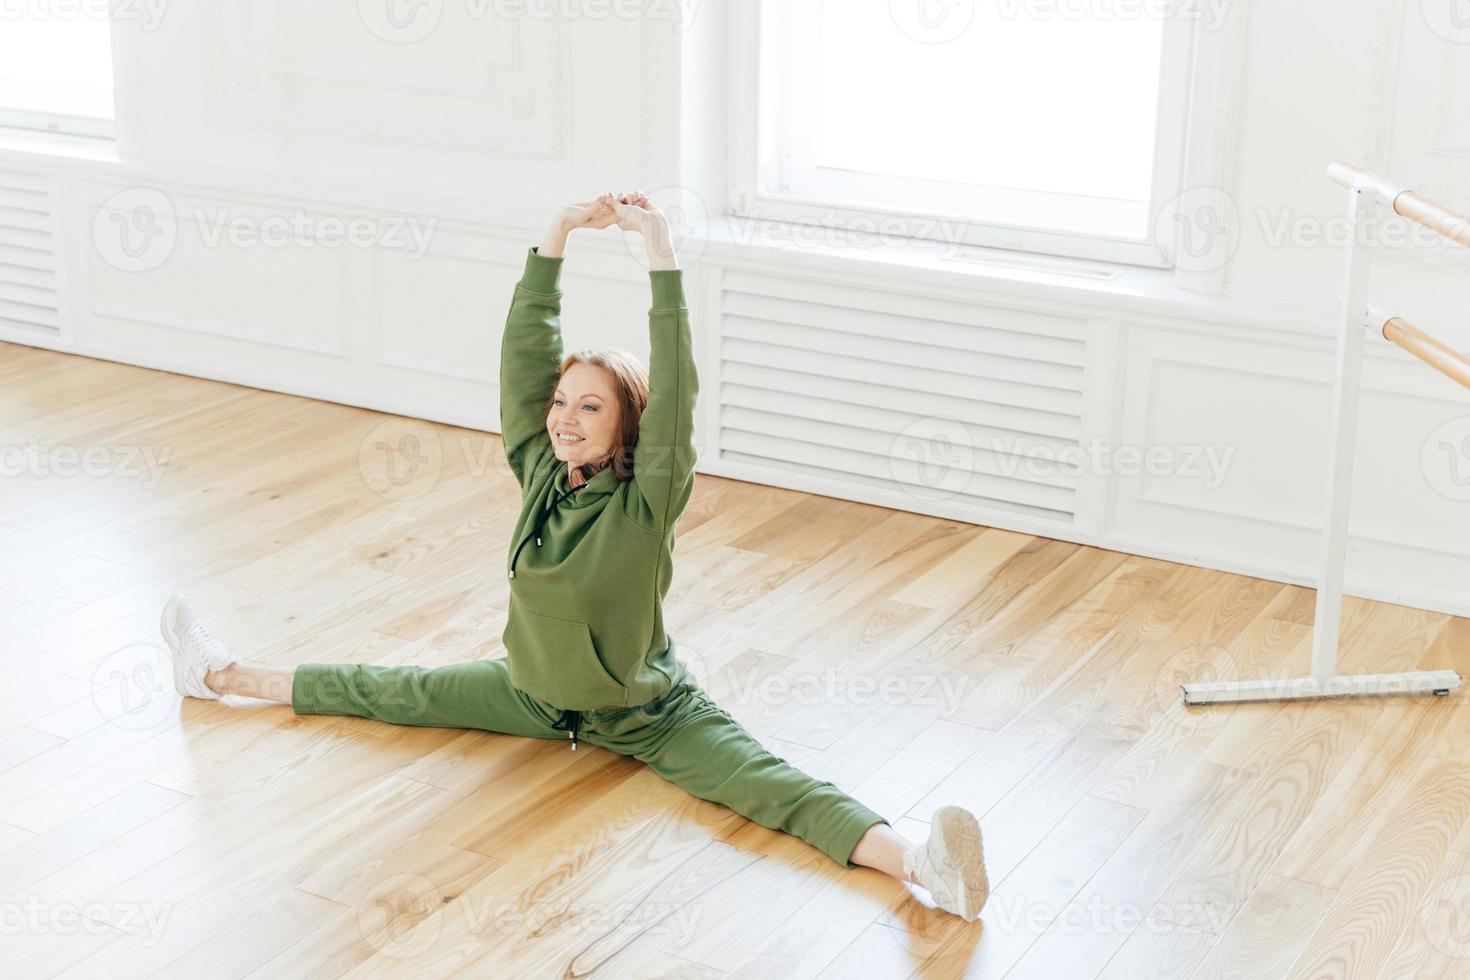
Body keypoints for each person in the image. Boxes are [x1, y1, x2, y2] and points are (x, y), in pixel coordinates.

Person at [159, 191, 990, 922]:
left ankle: (925, 867)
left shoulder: (644, 502)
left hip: (649, 714)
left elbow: (679, 388)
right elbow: (522, 366)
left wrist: (660, 260)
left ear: (628, 425)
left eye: (589, 407)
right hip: (531, 693)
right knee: (386, 689)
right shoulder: (543, 478)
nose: (564, 418)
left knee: (773, 787)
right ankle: (219, 676)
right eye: (562, 403)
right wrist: (553, 238)